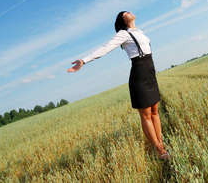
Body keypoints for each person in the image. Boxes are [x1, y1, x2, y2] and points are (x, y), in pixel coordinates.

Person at [67, 11, 170, 161]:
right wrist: (84, 60)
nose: (128, 12)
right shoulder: (123, 34)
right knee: (146, 114)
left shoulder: (140, 32)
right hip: (139, 74)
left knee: (155, 111)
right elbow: (105, 48)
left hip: (150, 72)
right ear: (123, 20)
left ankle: (161, 143)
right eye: (125, 13)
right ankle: (158, 148)